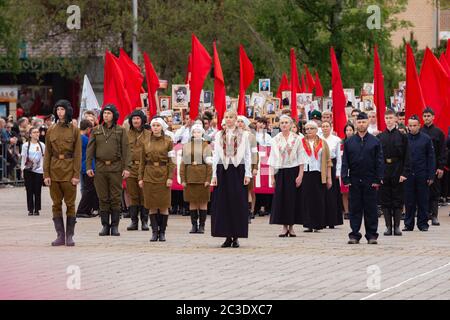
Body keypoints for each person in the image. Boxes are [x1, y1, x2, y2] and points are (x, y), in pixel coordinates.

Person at [86, 104, 130, 237]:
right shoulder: (96, 130)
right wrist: (88, 166)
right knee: (103, 197)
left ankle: (115, 226)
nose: (106, 115)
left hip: (116, 167)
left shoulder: (120, 130)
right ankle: (105, 225)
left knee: (115, 197)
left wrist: (127, 168)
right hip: (100, 168)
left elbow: (126, 150)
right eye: (104, 113)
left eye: (109, 113)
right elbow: (90, 150)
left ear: (114, 115)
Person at [341, 112, 384, 244]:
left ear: (367, 123)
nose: (361, 124)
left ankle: (371, 235)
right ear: (355, 123)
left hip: (370, 180)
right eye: (359, 122)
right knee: (355, 208)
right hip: (354, 180)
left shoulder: (375, 141)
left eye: (363, 122)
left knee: (370, 209)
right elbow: (345, 162)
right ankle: (354, 234)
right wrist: (345, 178)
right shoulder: (349, 142)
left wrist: (378, 178)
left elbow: (379, 161)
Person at [211, 110, 251, 248]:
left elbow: (247, 155)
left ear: (236, 119)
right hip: (223, 169)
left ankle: (236, 236)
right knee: (223, 203)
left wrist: (247, 174)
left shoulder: (244, 135)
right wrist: (214, 175)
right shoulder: (219, 135)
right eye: (226, 117)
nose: (228, 120)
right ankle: (227, 236)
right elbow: (216, 155)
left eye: (231, 117)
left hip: (238, 169)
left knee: (237, 202)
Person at [44, 100, 81, 247]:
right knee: (56, 204)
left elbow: (77, 154)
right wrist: (46, 174)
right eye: (58, 109)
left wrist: (76, 175)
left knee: (70, 204)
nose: (60, 112)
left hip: (69, 169)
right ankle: (60, 235)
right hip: (54, 170)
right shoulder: (51, 130)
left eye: (62, 109)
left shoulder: (74, 130)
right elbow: (47, 153)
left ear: (67, 111)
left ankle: (69, 235)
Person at [139, 117, 175, 242]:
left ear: (162, 127)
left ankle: (163, 232)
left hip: (163, 175)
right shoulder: (145, 141)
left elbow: (172, 162)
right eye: (153, 125)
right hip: (149, 175)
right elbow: (142, 162)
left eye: (157, 125)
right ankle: (154, 232)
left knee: (164, 205)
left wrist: (170, 177)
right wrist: (140, 177)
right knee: (152, 205)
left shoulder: (168, 141)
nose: (155, 128)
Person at [268, 115, 306, 236]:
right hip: (280, 171)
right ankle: (284, 226)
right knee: (282, 199)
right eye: (282, 123)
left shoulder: (298, 139)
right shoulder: (275, 139)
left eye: (286, 122)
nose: (284, 125)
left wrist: (300, 175)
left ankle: (292, 226)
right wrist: (272, 176)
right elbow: (272, 159)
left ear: (291, 125)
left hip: (293, 170)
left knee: (293, 199)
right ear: (279, 125)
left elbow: (301, 158)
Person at [377, 109, 410, 236]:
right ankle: (388, 227)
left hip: (398, 169)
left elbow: (407, 156)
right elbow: (377, 158)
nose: (389, 120)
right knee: (385, 200)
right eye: (387, 118)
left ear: (396, 119)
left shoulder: (402, 137)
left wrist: (404, 173)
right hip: (384, 169)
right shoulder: (380, 137)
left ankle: (396, 226)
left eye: (391, 118)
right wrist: (378, 174)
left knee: (397, 198)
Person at [403, 115, 435, 232]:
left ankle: (423, 224)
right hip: (408, 174)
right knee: (409, 200)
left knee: (422, 200)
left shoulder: (426, 139)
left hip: (422, 173)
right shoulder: (404, 139)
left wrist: (431, 175)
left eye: (414, 125)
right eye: (410, 125)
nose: (412, 128)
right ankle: (408, 224)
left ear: (419, 125)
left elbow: (431, 158)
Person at [180, 124, 212, 234]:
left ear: (202, 133)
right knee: (192, 202)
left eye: (199, 132)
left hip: (202, 177)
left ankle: (202, 225)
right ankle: (194, 225)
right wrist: (183, 179)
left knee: (203, 201)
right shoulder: (187, 146)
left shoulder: (206, 146)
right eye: (195, 132)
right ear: (192, 133)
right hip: (190, 177)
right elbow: (183, 164)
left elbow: (209, 165)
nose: (197, 133)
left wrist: (208, 179)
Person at [300, 121, 332, 232]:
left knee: (318, 199)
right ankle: (308, 223)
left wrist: (329, 178)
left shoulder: (323, 143)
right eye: (307, 129)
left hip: (318, 173)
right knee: (306, 199)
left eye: (311, 128)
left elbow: (328, 161)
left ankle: (318, 224)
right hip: (305, 172)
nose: (309, 131)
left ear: (316, 130)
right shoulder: (301, 142)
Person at [420, 107, 447, 226]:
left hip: (435, 165)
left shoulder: (439, 132)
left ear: (433, 117)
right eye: (425, 116)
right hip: (421, 166)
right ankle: (424, 215)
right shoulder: (419, 131)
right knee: (422, 191)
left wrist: (441, 166)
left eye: (428, 116)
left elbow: (443, 151)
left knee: (434, 191)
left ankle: (434, 216)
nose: (426, 118)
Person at [126, 109, 150, 231]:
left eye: (138, 118)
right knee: (133, 195)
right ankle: (133, 221)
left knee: (144, 195)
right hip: (130, 168)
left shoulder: (148, 134)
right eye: (134, 118)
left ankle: (145, 221)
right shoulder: (126, 134)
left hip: (144, 168)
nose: (135, 120)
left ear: (142, 120)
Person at [321, 120, 343, 229]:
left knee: (332, 194)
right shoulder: (318, 139)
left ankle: (332, 220)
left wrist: (338, 172)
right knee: (322, 193)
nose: (325, 128)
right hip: (320, 166)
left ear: (330, 127)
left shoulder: (336, 140)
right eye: (323, 126)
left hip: (332, 165)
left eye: (327, 126)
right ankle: (322, 219)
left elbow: (339, 157)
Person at [236, 116, 258, 222]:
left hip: (247, 166)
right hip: (236, 166)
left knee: (248, 190)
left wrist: (255, 167)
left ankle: (248, 213)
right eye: (238, 121)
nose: (240, 123)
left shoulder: (250, 136)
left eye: (242, 122)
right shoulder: (233, 134)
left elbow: (254, 153)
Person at [76, 119, 99, 218]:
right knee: (89, 189)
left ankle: (86, 210)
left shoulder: (78, 138)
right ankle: (82, 210)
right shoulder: (84, 139)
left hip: (83, 165)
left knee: (88, 189)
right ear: (88, 128)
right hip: (88, 166)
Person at [21, 126, 45, 216]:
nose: (36, 134)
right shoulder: (25, 145)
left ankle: (37, 209)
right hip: (28, 169)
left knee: (37, 190)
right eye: (34, 132)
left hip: (39, 170)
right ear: (30, 135)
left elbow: (44, 158)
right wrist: (22, 169)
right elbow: (23, 158)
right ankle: (30, 209)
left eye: (37, 132)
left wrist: (43, 170)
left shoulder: (42, 145)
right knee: (29, 190)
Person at [341, 123, 355, 220]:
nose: (349, 132)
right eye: (347, 130)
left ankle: (354, 210)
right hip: (345, 168)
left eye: (350, 130)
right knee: (345, 192)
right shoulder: (342, 143)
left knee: (354, 192)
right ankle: (346, 211)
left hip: (354, 168)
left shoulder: (356, 141)